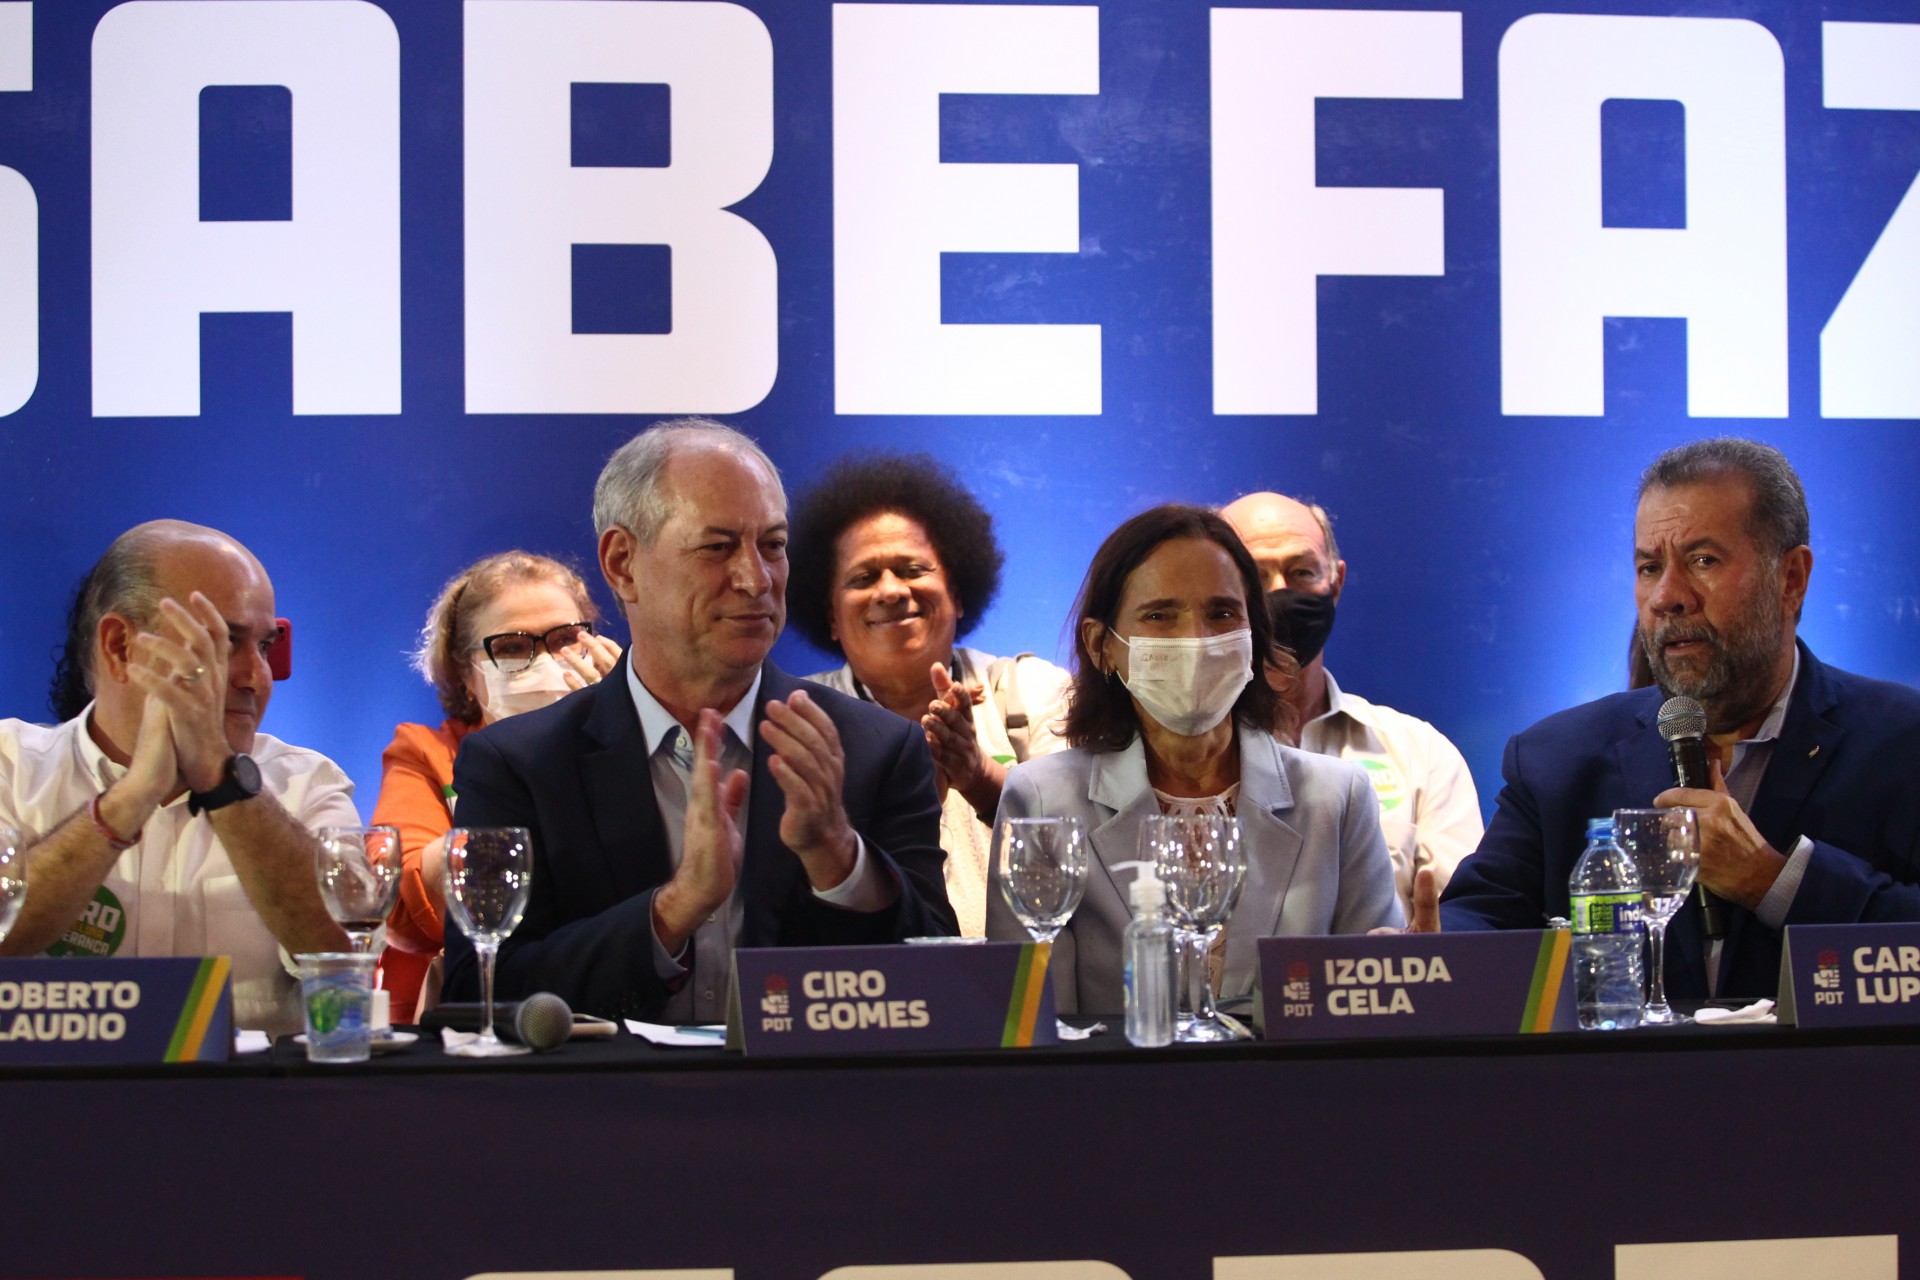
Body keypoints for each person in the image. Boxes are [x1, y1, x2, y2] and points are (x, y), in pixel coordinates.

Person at [443, 419, 956, 1022]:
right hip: (605, 1109)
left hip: (808, 1109)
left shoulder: (875, 748)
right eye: (717, 547)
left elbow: (944, 990)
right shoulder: (519, 765)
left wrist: (839, 861)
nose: (756, 579)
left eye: (773, 545)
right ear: (623, 563)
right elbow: (478, 991)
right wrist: (674, 908)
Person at [1441, 438, 1920, 999]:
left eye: (1703, 560)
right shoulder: (1556, 760)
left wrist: (1772, 880)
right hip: (1624, 1086)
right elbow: (1477, 923)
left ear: (1791, 578)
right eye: (1649, 567)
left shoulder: (1901, 742)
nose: (1667, 596)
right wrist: (1426, 954)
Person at [985, 504, 1401, 1014]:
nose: (1198, 640)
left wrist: (1410, 981)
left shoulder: (1338, 799)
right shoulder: (1042, 797)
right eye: (1160, 615)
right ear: (1102, 646)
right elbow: (1037, 1025)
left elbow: (1373, 1008)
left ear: (1253, 635)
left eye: (1222, 613)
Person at [0, 521, 357, 1033]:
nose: (255, 677)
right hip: (48, 1105)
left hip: (254, 1106)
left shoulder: (310, 784)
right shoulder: (9, 767)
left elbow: (348, 958)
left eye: (264, 646)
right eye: (223, 643)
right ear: (121, 646)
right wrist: (129, 799)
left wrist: (225, 781)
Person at [788, 453, 1071, 936]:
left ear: (958, 595)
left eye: (912, 568)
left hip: (1026, 994)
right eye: (863, 578)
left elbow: (1087, 850)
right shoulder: (801, 718)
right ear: (831, 616)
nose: (892, 590)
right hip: (871, 996)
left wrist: (978, 774)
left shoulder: (1032, 691)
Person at [373, 552, 622, 1023]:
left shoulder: (634, 741)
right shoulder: (425, 751)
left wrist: (620, 724)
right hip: (468, 1013)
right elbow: (395, 898)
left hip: (604, 997)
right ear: (466, 675)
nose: (548, 662)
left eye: (568, 640)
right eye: (511, 647)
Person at [1221, 492, 1483, 921]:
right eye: (1255, 575)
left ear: (1336, 582)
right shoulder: (1182, 762)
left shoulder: (1421, 755)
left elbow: (1464, 920)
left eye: (1301, 571)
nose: (1280, 593)